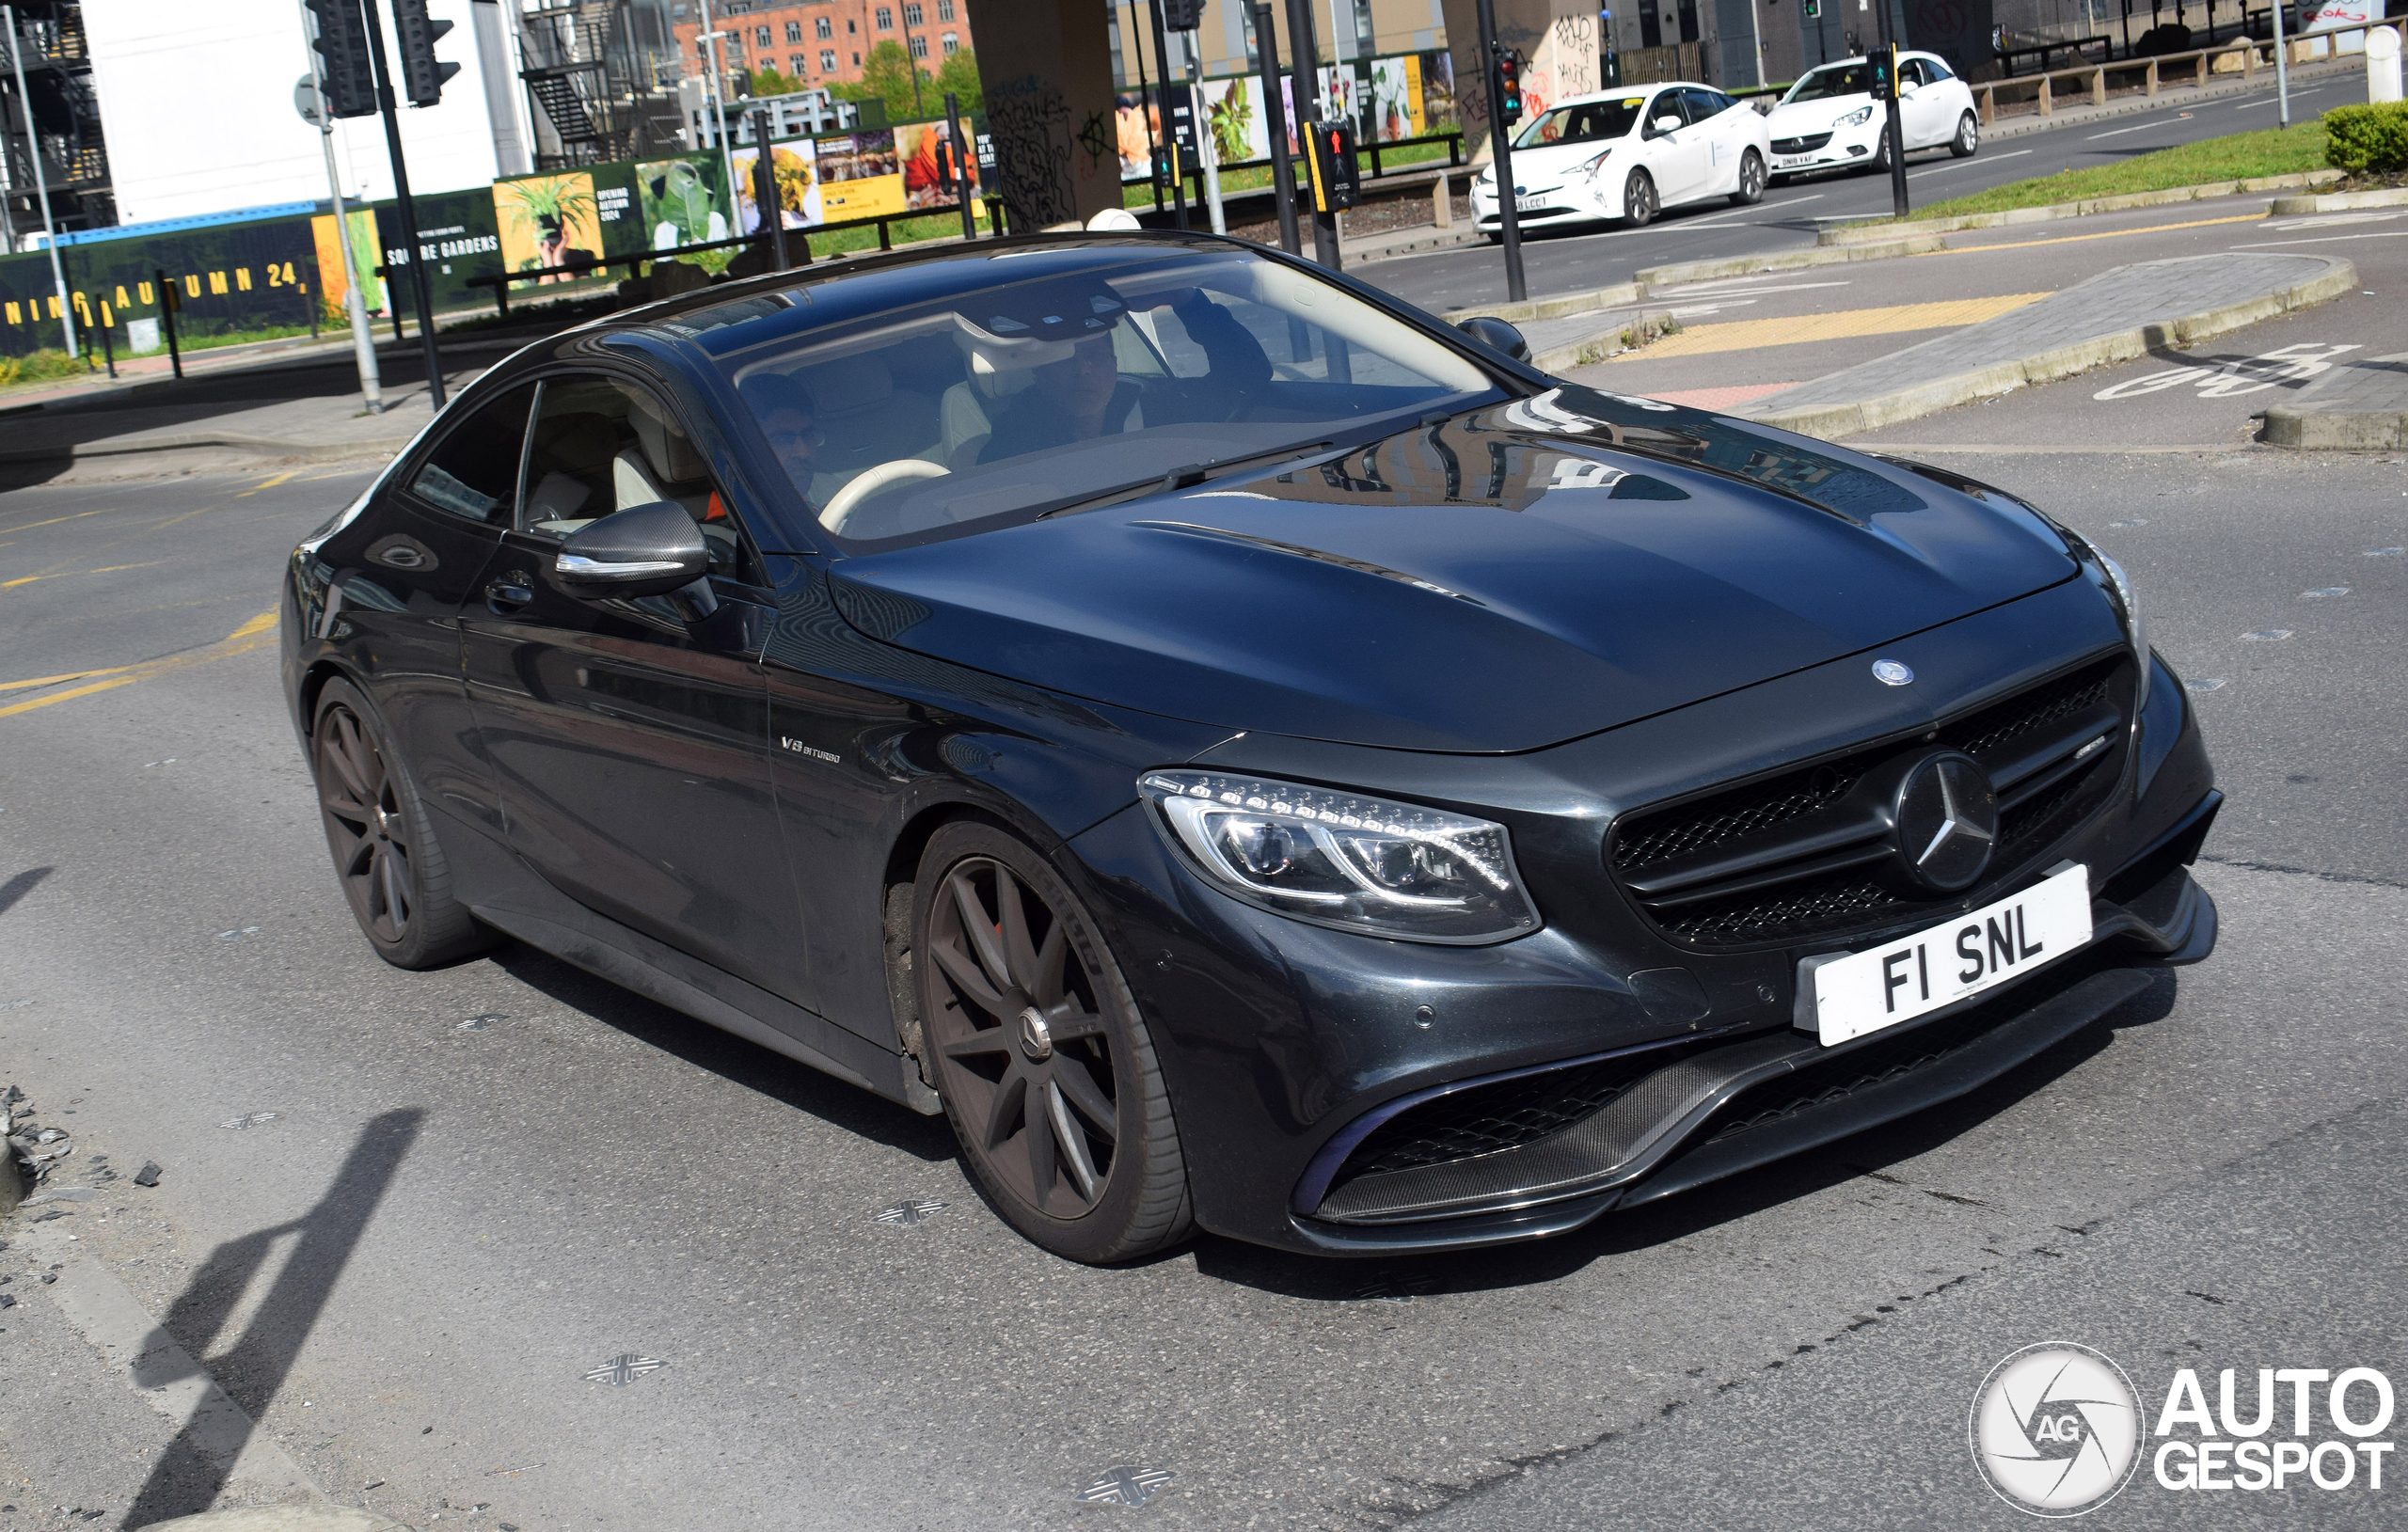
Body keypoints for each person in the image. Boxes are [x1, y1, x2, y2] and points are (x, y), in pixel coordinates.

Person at [740, 372, 825, 506]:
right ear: (746, 448)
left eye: (808, 436)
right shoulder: (737, 522)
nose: (803, 452)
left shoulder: (829, 499)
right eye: (781, 440)